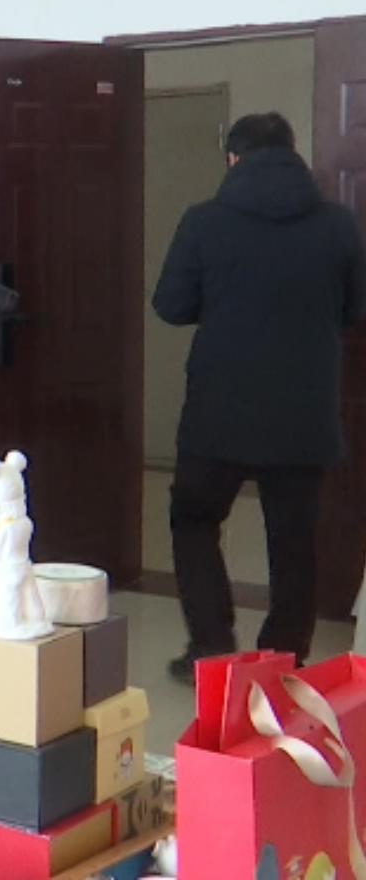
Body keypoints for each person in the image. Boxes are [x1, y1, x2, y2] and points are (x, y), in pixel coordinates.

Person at [154, 112, 365, 680]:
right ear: (295, 156)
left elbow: (170, 305)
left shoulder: (204, 221)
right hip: (305, 413)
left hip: (219, 410)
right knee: (294, 541)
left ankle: (211, 647)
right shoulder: (338, 225)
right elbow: (355, 309)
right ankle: (283, 659)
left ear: (233, 158)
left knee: (194, 519)